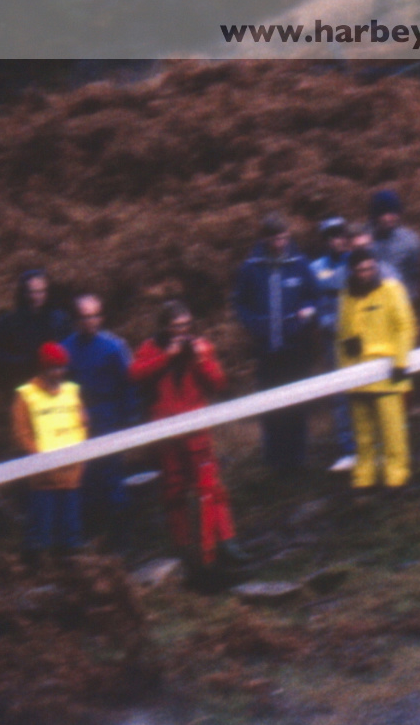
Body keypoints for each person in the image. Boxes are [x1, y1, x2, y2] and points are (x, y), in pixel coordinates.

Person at [130, 301, 236, 580]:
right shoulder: (150, 347)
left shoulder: (199, 346)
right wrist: (166, 357)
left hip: (196, 427)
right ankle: (184, 547)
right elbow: (135, 375)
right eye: (176, 327)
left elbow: (219, 383)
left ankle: (225, 542)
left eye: (186, 326)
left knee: (210, 485)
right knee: (173, 490)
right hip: (165, 430)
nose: (182, 332)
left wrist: (200, 360)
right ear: (165, 327)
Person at [229, 212, 325, 475]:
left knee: (297, 405)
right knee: (271, 407)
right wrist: (254, 325)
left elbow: (315, 296)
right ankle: (275, 461)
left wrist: (307, 312)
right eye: (275, 237)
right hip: (267, 351)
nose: (280, 242)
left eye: (284, 236)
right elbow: (240, 303)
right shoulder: (251, 267)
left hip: (297, 349)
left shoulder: (300, 263)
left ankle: (297, 459)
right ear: (265, 238)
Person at [335, 248, 416, 492]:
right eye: (360, 270)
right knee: (363, 435)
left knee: (393, 432)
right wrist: (345, 369)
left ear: (376, 266)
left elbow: (406, 326)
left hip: (387, 373)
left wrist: (401, 362)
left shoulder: (391, 289)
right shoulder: (346, 295)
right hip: (357, 375)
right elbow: (341, 334)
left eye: (370, 268)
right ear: (352, 271)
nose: (365, 274)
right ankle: (364, 478)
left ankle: (396, 478)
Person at [60, 294, 134, 546]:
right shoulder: (66, 348)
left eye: (93, 316)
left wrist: (129, 422)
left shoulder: (114, 347)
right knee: (86, 480)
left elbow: (129, 386)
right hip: (78, 420)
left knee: (112, 478)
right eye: (83, 317)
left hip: (109, 416)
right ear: (75, 320)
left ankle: (120, 541)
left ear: (100, 317)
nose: (89, 321)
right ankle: (91, 543)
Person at [12, 341, 85, 558]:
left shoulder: (72, 391)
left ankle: (71, 567)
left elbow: (82, 425)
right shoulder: (27, 395)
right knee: (40, 531)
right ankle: (37, 570)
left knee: (70, 532)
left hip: (71, 472)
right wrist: (40, 461)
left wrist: (79, 460)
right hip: (43, 476)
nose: (59, 372)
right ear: (43, 368)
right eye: (54, 367)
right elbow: (22, 434)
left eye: (62, 367)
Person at [309, 218, 363, 473]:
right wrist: (324, 321)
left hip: (362, 337)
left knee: (365, 388)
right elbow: (313, 301)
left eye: (340, 235)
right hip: (333, 340)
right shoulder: (316, 268)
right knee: (340, 395)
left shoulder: (358, 260)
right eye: (331, 236)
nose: (337, 240)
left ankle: (369, 444)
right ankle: (348, 449)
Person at [0, 269, 72, 411]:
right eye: (33, 292)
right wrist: (21, 362)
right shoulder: (9, 323)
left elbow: (69, 349)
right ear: (24, 293)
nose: (37, 297)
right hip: (23, 384)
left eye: (41, 291)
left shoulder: (60, 320)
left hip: (56, 385)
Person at [365, 190, 420, 299]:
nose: (388, 218)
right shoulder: (365, 239)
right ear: (375, 216)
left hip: (401, 301)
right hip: (372, 300)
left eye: (392, 213)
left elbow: (418, 276)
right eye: (383, 214)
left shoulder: (410, 241)